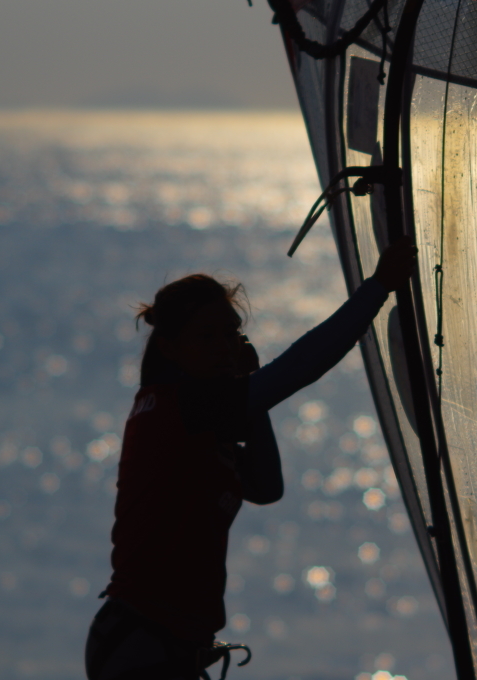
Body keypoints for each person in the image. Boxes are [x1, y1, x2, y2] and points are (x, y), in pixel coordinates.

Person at [85, 238, 417, 680]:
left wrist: (247, 386)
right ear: (170, 348)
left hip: (154, 646)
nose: (224, 346)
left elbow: (266, 487)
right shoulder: (181, 406)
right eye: (207, 337)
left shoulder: (190, 414)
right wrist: (378, 289)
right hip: (143, 647)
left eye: (232, 334)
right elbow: (299, 368)